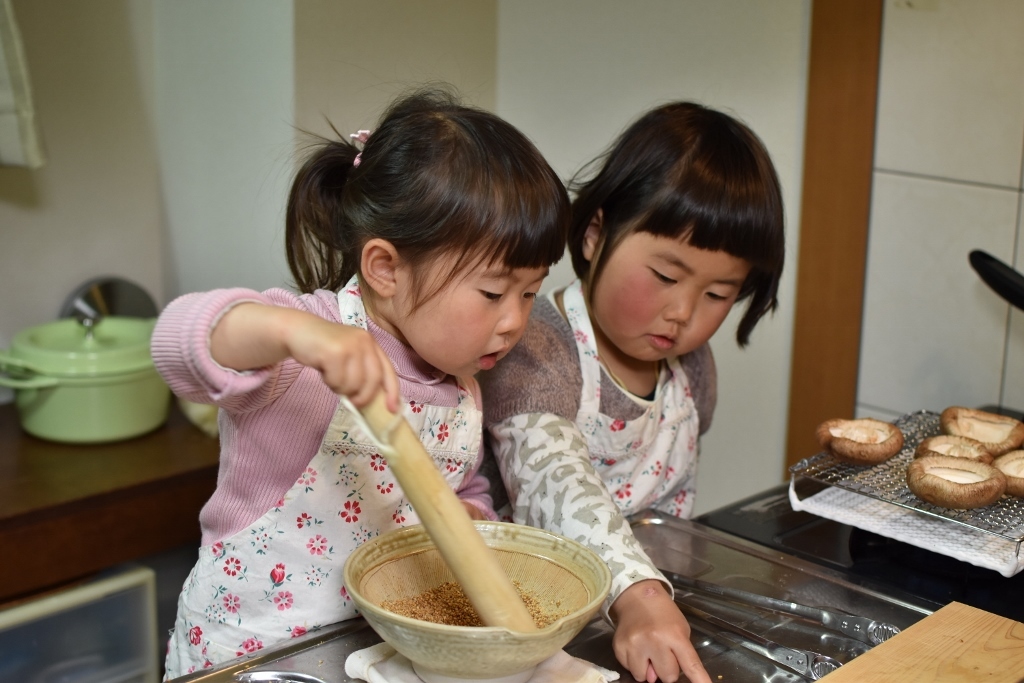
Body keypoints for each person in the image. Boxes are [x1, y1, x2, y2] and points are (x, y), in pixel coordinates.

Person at [155, 88, 570, 678]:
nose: (514, 321)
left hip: (366, 652)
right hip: (249, 653)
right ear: (385, 268)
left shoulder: (458, 378)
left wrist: (474, 521)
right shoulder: (306, 349)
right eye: (492, 293)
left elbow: (455, 485)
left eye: (529, 293)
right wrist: (293, 334)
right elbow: (176, 343)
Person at [480, 101, 785, 683]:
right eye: (666, 277)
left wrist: (653, 602)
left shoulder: (692, 371)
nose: (682, 313)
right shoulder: (540, 344)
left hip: (637, 623)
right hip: (524, 629)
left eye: (719, 294)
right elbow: (554, 483)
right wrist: (641, 598)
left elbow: (668, 517)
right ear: (595, 234)